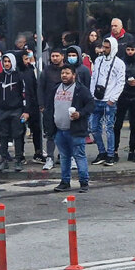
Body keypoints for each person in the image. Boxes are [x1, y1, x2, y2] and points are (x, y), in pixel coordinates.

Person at [45, 65, 95, 193]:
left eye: (67, 73)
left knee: (79, 156)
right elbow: (49, 108)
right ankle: (65, 182)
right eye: (63, 73)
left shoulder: (80, 89)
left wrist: (80, 113)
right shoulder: (56, 88)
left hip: (75, 131)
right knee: (64, 157)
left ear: (74, 75)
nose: (64, 75)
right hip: (59, 130)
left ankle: (84, 182)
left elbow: (91, 104)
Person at [89, 37, 126, 166]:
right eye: (103, 47)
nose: (104, 49)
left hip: (109, 101)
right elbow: (93, 78)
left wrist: (112, 99)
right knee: (93, 127)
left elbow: (121, 82)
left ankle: (111, 154)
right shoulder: (98, 60)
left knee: (109, 129)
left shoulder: (119, 63)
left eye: (107, 47)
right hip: (96, 99)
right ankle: (102, 152)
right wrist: (92, 95)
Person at [0, 53, 29, 172]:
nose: (6, 64)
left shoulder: (20, 77)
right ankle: (4, 159)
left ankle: (18, 159)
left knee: (18, 135)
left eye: (9, 61)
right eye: (5, 61)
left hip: (17, 110)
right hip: (2, 111)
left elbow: (25, 94)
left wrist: (26, 111)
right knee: (2, 135)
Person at [38, 49, 65, 170]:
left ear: (62, 56)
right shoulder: (46, 71)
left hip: (64, 106)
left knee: (64, 133)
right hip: (49, 107)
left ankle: (64, 156)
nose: (54, 58)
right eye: (53, 56)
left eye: (57, 56)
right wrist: (41, 105)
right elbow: (40, 88)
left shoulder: (67, 70)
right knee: (50, 134)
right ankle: (50, 157)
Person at [19, 50, 44, 163]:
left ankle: (38, 152)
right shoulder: (18, 72)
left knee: (37, 129)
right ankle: (20, 154)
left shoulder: (31, 70)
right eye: (25, 59)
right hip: (20, 105)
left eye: (28, 58)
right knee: (20, 131)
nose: (28, 61)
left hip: (33, 104)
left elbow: (37, 84)